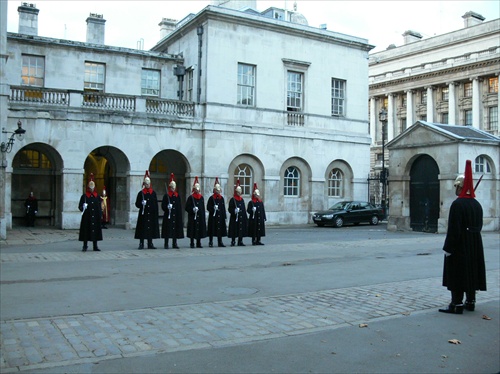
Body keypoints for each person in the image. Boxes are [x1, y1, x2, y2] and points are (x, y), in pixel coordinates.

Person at [439, 160, 486, 314]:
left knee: (457, 272)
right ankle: (471, 301)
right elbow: (478, 226)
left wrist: (448, 248)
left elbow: (454, 229)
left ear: (460, 186)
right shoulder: (477, 204)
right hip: (474, 243)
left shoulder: (458, 204)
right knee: (471, 271)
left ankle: (456, 304)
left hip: (460, 244)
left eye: (457, 187)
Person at [134, 170, 160, 249]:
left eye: (148, 184)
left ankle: (150, 243)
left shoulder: (153, 193)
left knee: (150, 229)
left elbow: (155, 204)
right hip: (143, 214)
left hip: (151, 214)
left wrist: (156, 214)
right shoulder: (141, 193)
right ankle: (141, 243)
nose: (147, 185)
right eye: (146, 184)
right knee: (142, 229)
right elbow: (137, 204)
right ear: (144, 184)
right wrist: (141, 203)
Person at [78, 173, 103, 252]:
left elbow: (100, 206)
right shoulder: (84, 196)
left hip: (95, 217)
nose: (91, 189)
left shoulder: (97, 196)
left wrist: (100, 215)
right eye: (90, 188)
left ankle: (95, 246)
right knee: (86, 231)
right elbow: (80, 207)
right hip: (87, 217)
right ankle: (85, 245)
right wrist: (83, 207)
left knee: (95, 231)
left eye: (92, 188)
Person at [161, 173, 184, 249]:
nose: (172, 189)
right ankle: (166, 243)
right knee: (167, 230)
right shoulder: (166, 195)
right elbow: (163, 206)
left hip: (175, 215)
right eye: (171, 188)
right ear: (169, 187)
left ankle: (175, 243)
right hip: (168, 215)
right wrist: (167, 207)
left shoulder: (177, 196)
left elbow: (179, 207)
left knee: (175, 230)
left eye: (173, 188)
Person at [185, 176, 207, 248]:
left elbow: (202, 208)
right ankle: (192, 243)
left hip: (199, 216)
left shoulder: (201, 198)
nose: (197, 191)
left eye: (198, 189)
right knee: (192, 229)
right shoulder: (191, 197)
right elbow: (187, 207)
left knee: (199, 229)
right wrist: (192, 209)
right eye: (196, 189)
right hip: (192, 216)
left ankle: (198, 242)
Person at [207, 177, 227, 247]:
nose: (218, 191)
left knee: (220, 230)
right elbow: (208, 207)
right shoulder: (211, 198)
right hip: (213, 216)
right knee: (212, 229)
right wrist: (213, 208)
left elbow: (223, 208)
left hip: (220, 216)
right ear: (214, 190)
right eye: (216, 190)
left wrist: (224, 216)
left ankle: (220, 241)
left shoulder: (221, 199)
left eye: (219, 190)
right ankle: (211, 241)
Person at [228, 179, 248, 246]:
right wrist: (234, 210)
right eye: (238, 192)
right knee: (234, 229)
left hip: (241, 217)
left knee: (241, 229)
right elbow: (229, 209)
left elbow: (243, 208)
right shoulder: (232, 199)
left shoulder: (241, 199)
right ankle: (233, 241)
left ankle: (240, 241)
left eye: (240, 192)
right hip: (235, 217)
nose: (239, 193)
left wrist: (245, 217)